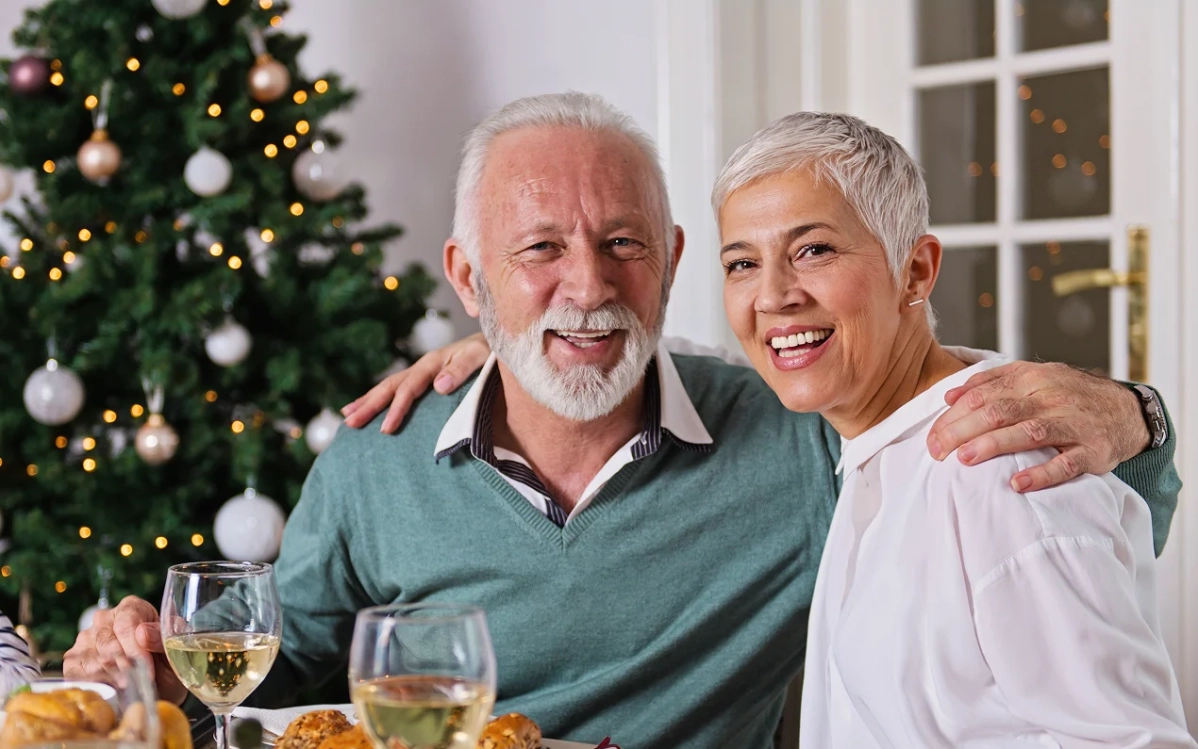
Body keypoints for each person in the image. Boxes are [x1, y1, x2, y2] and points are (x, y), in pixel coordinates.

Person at [65, 94, 1181, 749]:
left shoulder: (797, 437)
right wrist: (153, 670)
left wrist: (1135, 413)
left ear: (672, 264)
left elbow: (1024, 502)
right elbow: (286, 667)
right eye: (538, 250)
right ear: (469, 275)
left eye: (624, 245)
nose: (587, 286)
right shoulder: (377, 454)